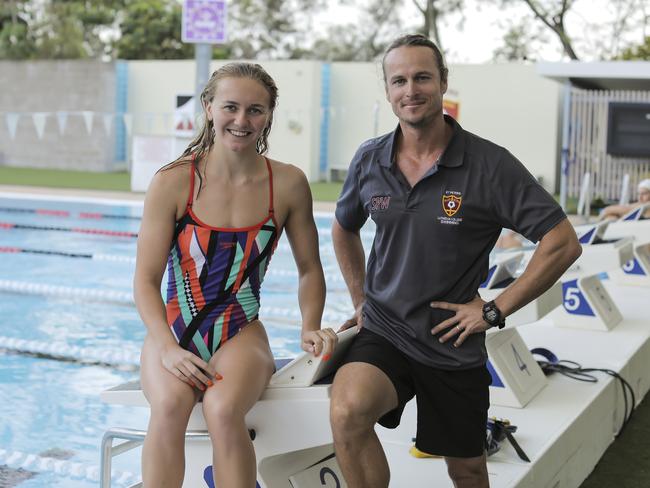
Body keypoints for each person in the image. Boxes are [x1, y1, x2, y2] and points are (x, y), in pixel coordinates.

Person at [329, 34, 582, 488]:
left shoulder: (489, 165)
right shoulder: (370, 159)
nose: (411, 90)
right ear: (388, 91)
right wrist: (361, 298)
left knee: (464, 468)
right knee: (348, 411)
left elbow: (562, 242)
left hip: (451, 343)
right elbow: (344, 226)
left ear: (443, 81)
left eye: (423, 77)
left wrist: (494, 309)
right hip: (385, 328)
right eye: (399, 80)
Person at [133, 62, 338, 488]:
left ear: (268, 115)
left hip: (240, 330)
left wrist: (310, 324)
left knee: (224, 410)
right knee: (169, 405)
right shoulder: (173, 182)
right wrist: (168, 349)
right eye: (231, 107)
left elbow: (309, 269)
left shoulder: (286, 183)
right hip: (174, 331)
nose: (242, 121)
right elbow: (145, 280)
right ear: (208, 108)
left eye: (255, 110)